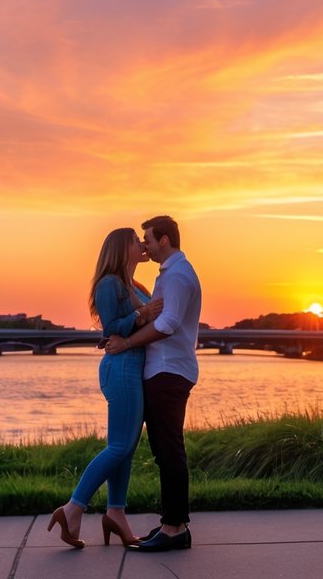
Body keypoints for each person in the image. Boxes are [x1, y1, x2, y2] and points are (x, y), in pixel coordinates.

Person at [48, 228, 162, 549]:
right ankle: (73, 508)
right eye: (135, 240)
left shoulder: (136, 285)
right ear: (120, 248)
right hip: (121, 367)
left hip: (133, 368)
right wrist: (143, 313)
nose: (142, 244)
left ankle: (116, 513)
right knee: (119, 447)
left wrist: (148, 312)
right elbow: (111, 328)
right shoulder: (109, 284)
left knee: (124, 447)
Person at [106, 215, 201, 553]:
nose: (144, 245)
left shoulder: (177, 274)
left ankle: (174, 528)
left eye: (148, 239)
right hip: (165, 370)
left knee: (169, 449)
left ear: (164, 240)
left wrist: (128, 343)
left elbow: (170, 323)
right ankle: (172, 524)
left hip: (168, 371)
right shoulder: (171, 274)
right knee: (165, 450)